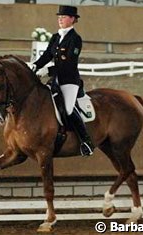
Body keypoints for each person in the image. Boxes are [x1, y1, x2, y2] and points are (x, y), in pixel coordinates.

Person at [32, 5, 94, 157]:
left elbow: (69, 63)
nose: (60, 19)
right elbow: (47, 55)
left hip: (69, 81)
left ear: (72, 19)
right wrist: (35, 65)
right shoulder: (55, 37)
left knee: (68, 108)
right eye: (59, 17)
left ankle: (86, 141)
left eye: (63, 17)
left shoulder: (75, 39)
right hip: (56, 80)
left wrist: (48, 70)